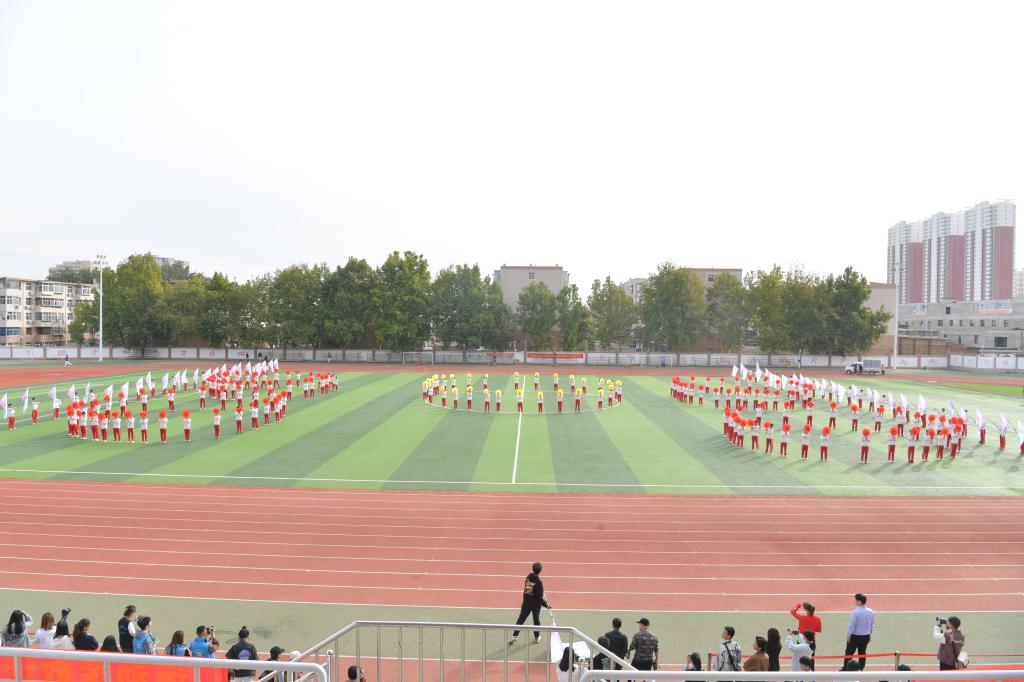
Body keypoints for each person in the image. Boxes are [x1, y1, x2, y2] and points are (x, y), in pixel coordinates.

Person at [509, 562, 549, 644]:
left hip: (526, 602)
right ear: (540, 571)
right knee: (536, 620)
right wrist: (546, 605)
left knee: (521, 618)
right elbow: (539, 597)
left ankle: (514, 636)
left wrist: (540, 590)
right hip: (535, 605)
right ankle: (537, 637)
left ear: (533, 569)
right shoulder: (539, 582)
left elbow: (530, 590)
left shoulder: (528, 578)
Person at [845, 593, 875, 670]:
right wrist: (869, 633)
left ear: (859, 601)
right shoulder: (870, 611)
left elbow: (852, 625)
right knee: (862, 653)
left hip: (855, 637)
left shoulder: (856, 612)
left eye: (856, 600)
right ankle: (861, 669)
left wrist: (849, 635)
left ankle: (846, 669)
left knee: (849, 653)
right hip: (866, 636)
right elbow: (872, 624)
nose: (854, 601)